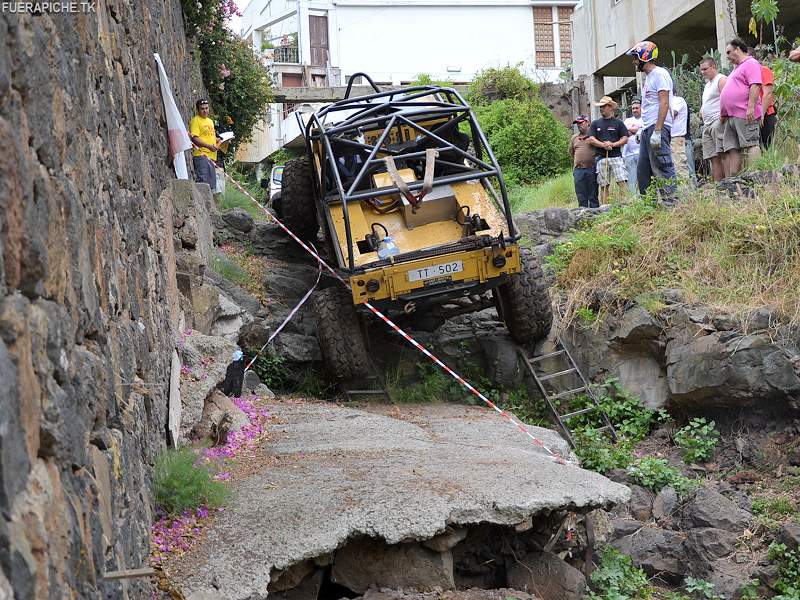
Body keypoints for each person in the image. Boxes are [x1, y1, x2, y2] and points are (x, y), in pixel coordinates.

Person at [625, 41, 677, 204]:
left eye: (635, 58)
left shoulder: (659, 74)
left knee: (663, 167)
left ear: (644, 56)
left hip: (658, 128)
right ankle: (649, 207)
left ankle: (672, 205)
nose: (634, 62)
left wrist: (657, 131)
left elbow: (664, 103)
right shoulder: (649, 78)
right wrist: (643, 130)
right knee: (643, 172)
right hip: (648, 129)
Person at [720, 38, 762, 177]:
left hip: (744, 112)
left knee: (751, 143)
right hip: (731, 116)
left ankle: (755, 176)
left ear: (737, 49)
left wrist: (750, 107)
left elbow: (755, 84)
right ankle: (734, 180)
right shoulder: (736, 68)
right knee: (732, 148)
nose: (727, 56)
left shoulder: (750, 63)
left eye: (729, 52)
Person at [586, 96, 629, 204]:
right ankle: (605, 208)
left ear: (610, 107)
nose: (601, 109)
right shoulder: (596, 123)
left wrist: (613, 144)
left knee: (622, 181)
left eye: (603, 106)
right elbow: (591, 139)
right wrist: (603, 145)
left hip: (616, 157)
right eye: (600, 107)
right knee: (604, 185)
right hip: (601, 158)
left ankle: (625, 204)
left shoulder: (619, 123)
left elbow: (625, 139)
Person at [699, 56, 728, 182]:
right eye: (701, 70)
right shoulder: (707, 85)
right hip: (707, 124)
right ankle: (718, 185)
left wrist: (722, 118)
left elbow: (727, 98)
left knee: (723, 153)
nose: (702, 72)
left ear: (713, 67)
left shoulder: (721, 79)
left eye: (705, 69)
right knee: (713, 157)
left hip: (717, 121)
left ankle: (729, 182)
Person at [189, 98, 222, 190]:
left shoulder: (210, 121)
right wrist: (208, 146)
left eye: (206, 108)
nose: (205, 111)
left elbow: (207, 136)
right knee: (203, 184)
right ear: (198, 110)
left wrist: (217, 140)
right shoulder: (196, 120)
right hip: (201, 155)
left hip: (211, 156)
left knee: (211, 186)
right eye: (202, 109)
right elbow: (194, 138)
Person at [570, 115, 599, 208]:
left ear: (587, 122)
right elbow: (572, 152)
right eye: (577, 123)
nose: (579, 125)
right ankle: (583, 219)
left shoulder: (593, 137)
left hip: (591, 169)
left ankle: (595, 218)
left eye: (581, 123)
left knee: (593, 196)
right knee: (581, 196)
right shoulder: (574, 138)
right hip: (578, 170)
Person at [670, 94, 694, 185]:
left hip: (678, 138)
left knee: (682, 168)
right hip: (670, 139)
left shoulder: (677, 100)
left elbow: (671, 115)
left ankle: (688, 195)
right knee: (675, 169)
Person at [623, 100, 643, 194]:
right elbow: (623, 133)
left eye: (637, 108)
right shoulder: (627, 120)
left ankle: (644, 197)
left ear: (641, 108)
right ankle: (633, 200)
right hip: (629, 154)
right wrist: (635, 130)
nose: (635, 110)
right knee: (631, 179)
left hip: (642, 153)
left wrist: (632, 130)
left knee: (643, 177)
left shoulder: (645, 119)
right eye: (633, 108)